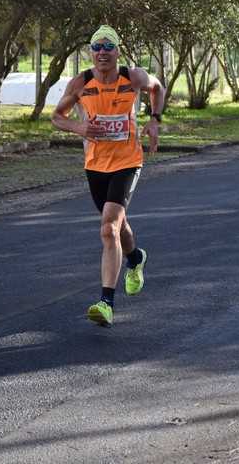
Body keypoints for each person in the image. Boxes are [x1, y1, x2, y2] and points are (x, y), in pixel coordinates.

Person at [52, 25, 164, 328]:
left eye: (109, 46)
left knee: (107, 228)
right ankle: (135, 258)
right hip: (95, 165)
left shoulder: (134, 77)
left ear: (117, 51)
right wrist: (79, 128)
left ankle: (106, 302)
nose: (103, 52)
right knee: (118, 224)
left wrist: (154, 120)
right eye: (97, 47)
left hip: (129, 161)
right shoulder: (80, 83)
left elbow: (157, 89)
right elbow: (56, 116)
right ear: (91, 52)